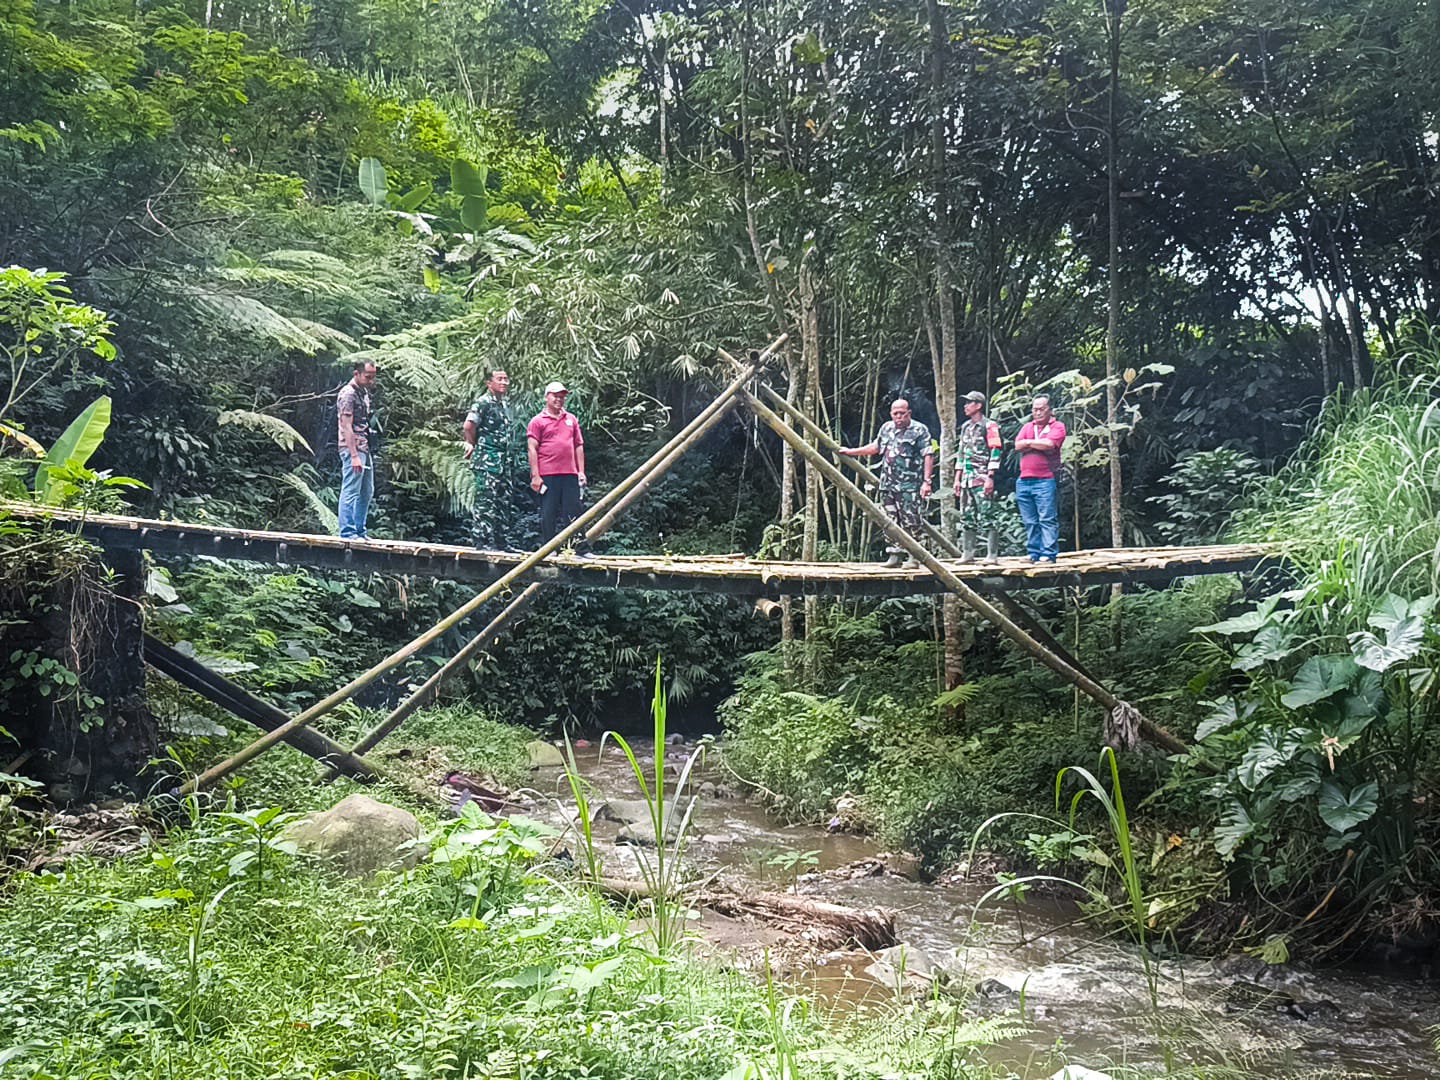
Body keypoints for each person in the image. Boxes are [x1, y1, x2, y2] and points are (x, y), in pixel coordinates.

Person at [839, 398, 934, 568]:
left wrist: (927, 482)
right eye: (895, 413)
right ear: (891, 414)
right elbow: (876, 447)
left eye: (902, 413)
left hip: (909, 486)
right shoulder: (886, 428)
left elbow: (928, 454)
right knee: (890, 521)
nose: (899, 417)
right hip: (888, 484)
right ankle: (894, 554)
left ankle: (915, 556)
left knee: (911, 520)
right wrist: (851, 452)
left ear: (909, 413)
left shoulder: (919, 430)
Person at [463, 368, 517, 551]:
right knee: (486, 501)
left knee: (504, 501)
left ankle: (502, 541)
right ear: (489, 383)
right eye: (499, 379)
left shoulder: (504, 404)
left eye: (506, 379)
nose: (504, 382)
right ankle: (482, 541)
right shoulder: (483, 402)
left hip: (504, 461)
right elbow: (469, 425)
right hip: (488, 460)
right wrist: (471, 444)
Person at [527, 381, 587, 544]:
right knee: (548, 513)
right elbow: (532, 448)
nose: (559, 399)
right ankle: (550, 549)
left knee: (574, 511)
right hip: (548, 474)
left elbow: (578, 445)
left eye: (562, 396)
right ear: (547, 397)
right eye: (555, 396)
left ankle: (580, 548)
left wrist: (581, 471)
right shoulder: (537, 421)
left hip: (570, 472)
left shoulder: (571, 419)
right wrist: (535, 476)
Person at [1014, 394, 1067, 562]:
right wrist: (1036, 443)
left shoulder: (1058, 426)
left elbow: (1050, 445)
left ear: (1050, 410)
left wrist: (1028, 443)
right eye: (1034, 409)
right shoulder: (1028, 426)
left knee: (1047, 518)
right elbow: (1017, 445)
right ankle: (1033, 553)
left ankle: (1048, 553)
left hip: (1045, 479)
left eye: (1041, 409)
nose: (1037, 413)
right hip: (1024, 480)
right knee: (1030, 520)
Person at [954, 389, 1003, 562]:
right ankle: (968, 553)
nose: (966, 406)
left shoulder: (990, 426)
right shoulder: (966, 427)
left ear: (979, 405)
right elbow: (961, 453)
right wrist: (957, 479)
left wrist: (990, 476)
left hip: (982, 478)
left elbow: (996, 450)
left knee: (988, 514)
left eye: (969, 402)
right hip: (967, 478)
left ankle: (992, 554)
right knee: (967, 516)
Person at [337, 359, 377, 540]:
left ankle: (360, 530)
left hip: (364, 446)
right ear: (357, 374)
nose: (371, 381)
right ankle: (348, 532)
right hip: (352, 447)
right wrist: (354, 455)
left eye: (373, 377)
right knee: (351, 489)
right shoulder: (348, 394)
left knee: (367, 491)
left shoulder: (364, 393)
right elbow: (346, 426)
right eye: (368, 377)